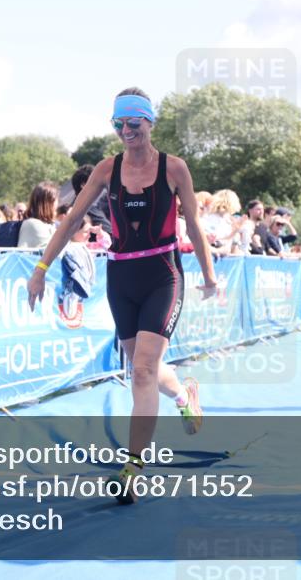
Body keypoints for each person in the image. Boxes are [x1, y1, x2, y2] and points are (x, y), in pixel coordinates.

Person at [27, 87, 217, 505]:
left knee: (143, 371)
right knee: (142, 368)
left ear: (150, 122)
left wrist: (209, 275)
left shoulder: (174, 168)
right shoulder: (106, 169)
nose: (126, 131)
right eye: (119, 124)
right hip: (121, 277)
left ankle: (132, 469)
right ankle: (183, 395)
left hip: (163, 275)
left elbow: (195, 225)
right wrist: (40, 270)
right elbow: (71, 220)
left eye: (134, 123)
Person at [18, 182, 58, 250]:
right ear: (50, 202)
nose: (57, 204)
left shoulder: (46, 224)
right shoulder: (34, 224)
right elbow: (54, 250)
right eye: (56, 199)